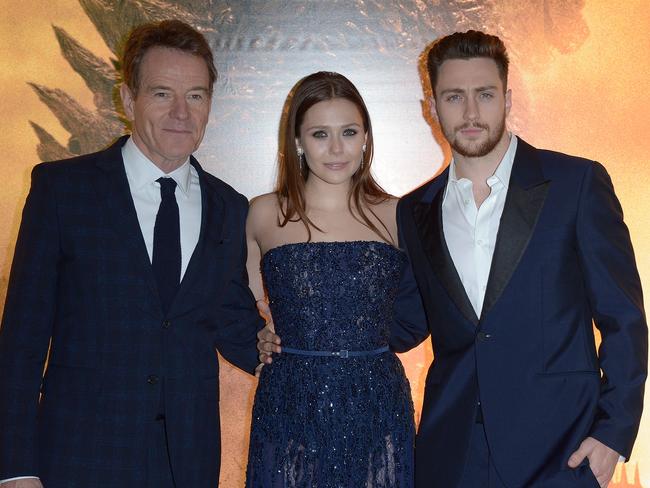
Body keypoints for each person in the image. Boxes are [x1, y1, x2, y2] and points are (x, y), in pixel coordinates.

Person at [260, 31, 647, 487]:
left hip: (562, 452)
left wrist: (613, 435)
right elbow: (402, 325)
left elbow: (624, 318)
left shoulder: (575, 183)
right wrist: (291, 332)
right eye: (453, 96)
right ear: (431, 104)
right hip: (452, 454)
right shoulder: (415, 210)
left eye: (484, 95)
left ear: (506, 97)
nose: (470, 113)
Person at [0, 20, 262, 488]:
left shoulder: (229, 207)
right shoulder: (62, 191)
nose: (181, 112)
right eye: (162, 94)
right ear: (127, 99)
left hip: (187, 463)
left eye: (196, 96)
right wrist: (16, 469)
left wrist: (309, 345)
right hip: (77, 461)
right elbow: (20, 342)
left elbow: (232, 322)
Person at [245, 71, 416, 487]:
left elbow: (423, 312)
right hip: (289, 401)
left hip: (376, 403)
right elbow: (243, 312)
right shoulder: (264, 214)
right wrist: (257, 334)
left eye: (349, 132)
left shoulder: (399, 216)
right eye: (320, 134)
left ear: (366, 138)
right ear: (298, 141)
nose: (337, 148)